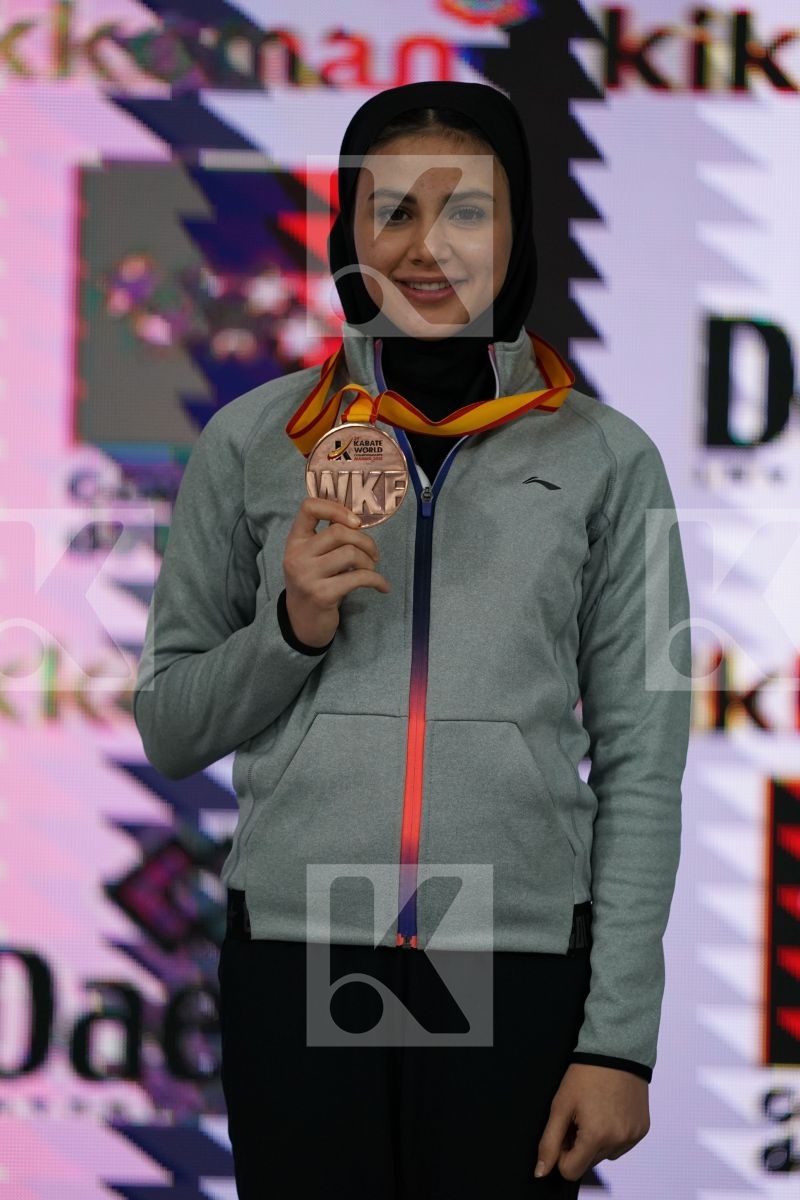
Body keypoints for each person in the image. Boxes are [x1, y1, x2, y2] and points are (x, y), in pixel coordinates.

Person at [134, 81, 692, 1199]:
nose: (426, 246)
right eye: (391, 210)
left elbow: (642, 763)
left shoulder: (608, 459)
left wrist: (616, 1040)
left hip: (514, 951)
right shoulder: (254, 439)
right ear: (347, 234)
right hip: (300, 944)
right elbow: (169, 726)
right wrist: (289, 629)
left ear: (518, 229)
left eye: (466, 211)